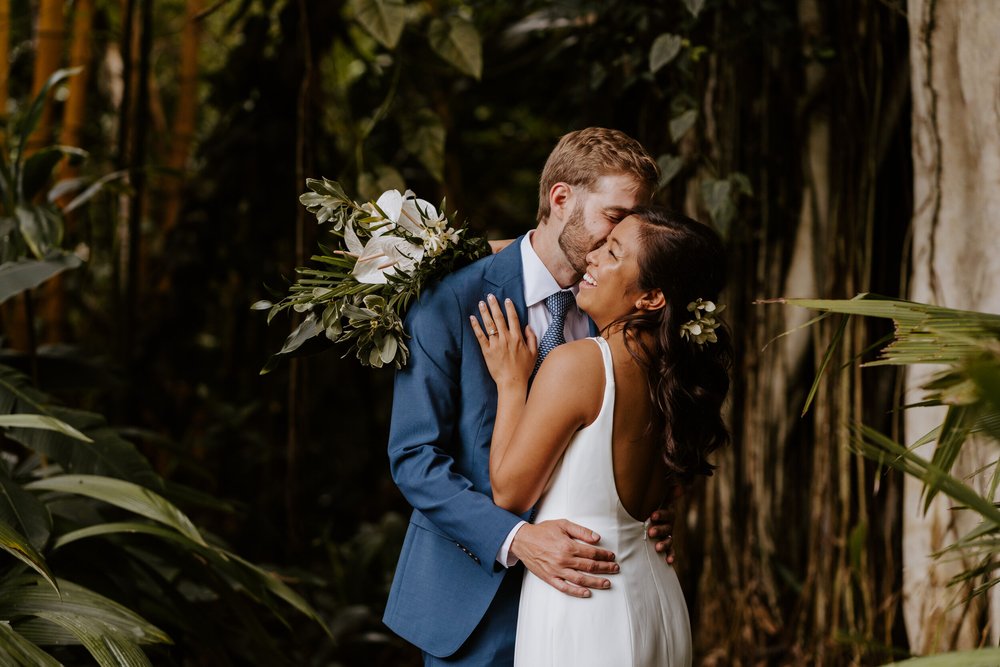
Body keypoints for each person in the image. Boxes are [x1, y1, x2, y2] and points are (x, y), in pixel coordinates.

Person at [383, 128, 675, 665]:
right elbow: (414, 458)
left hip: (592, 599)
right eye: (615, 218)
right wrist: (516, 538)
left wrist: (640, 512)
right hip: (471, 599)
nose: (625, 237)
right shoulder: (451, 298)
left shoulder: (624, 313)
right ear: (561, 198)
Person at [470, 206, 732, 666]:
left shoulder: (580, 365)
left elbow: (509, 493)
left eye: (613, 252)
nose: (592, 257)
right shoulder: (676, 378)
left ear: (651, 298)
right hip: (659, 604)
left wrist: (512, 383)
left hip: (586, 605)